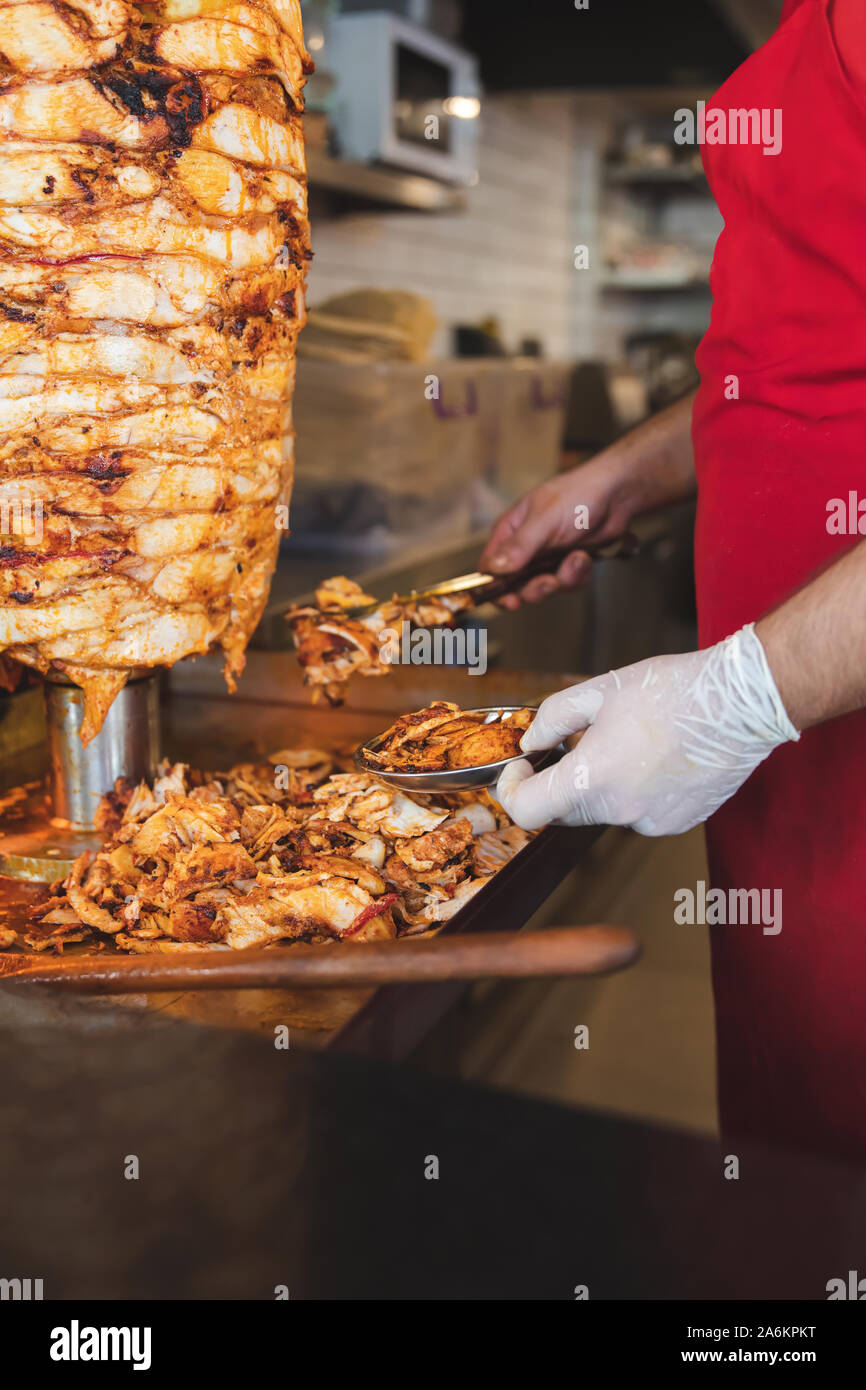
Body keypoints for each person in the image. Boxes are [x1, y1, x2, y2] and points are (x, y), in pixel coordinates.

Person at [482, 0, 866, 1162]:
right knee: (803, 1137)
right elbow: (810, 359)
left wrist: (736, 696)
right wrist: (631, 470)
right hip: (794, 765)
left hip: (811, 708)